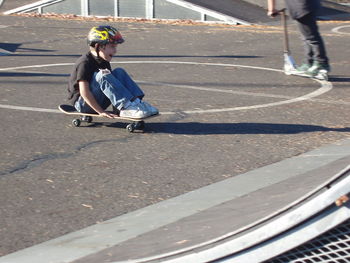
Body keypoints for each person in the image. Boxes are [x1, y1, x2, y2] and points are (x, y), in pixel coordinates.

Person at [67, 25, 158, 119]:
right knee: (103, 75)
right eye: (112, 47)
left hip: (98, 100)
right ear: (99, 46)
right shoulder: (84, 63)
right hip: (84, 104)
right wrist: (101, 112)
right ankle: (126, 106)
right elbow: (84, 92)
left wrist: (117, 110)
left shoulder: (103, 61)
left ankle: (136, 103)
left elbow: (113, 88)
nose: (115, 51)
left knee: (119, 72)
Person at [267, 0, 330, 78]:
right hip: (307, 6)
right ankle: (309, 62)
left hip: (302, 7)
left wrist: (271, 9)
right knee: (307, 37)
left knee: (312, 37)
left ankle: (321, 63)